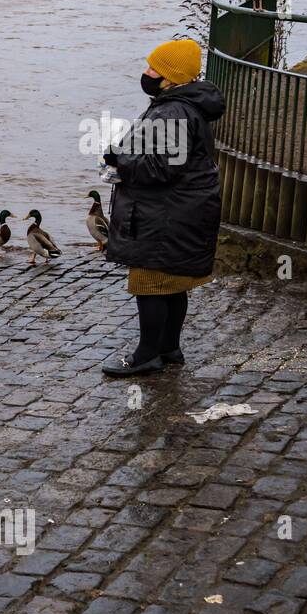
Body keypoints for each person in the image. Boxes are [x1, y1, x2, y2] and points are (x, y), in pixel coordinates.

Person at [101, 38, 225, 377]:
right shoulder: (182, 105)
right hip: (184, 209)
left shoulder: (172, 111)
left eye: (153, 68)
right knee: (173, 283)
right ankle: (169, 347)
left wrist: (118, 159)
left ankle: (146, 355)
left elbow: (160, 168)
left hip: (166, 216)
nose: (146, 72)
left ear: (171, 77)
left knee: (149, 282)